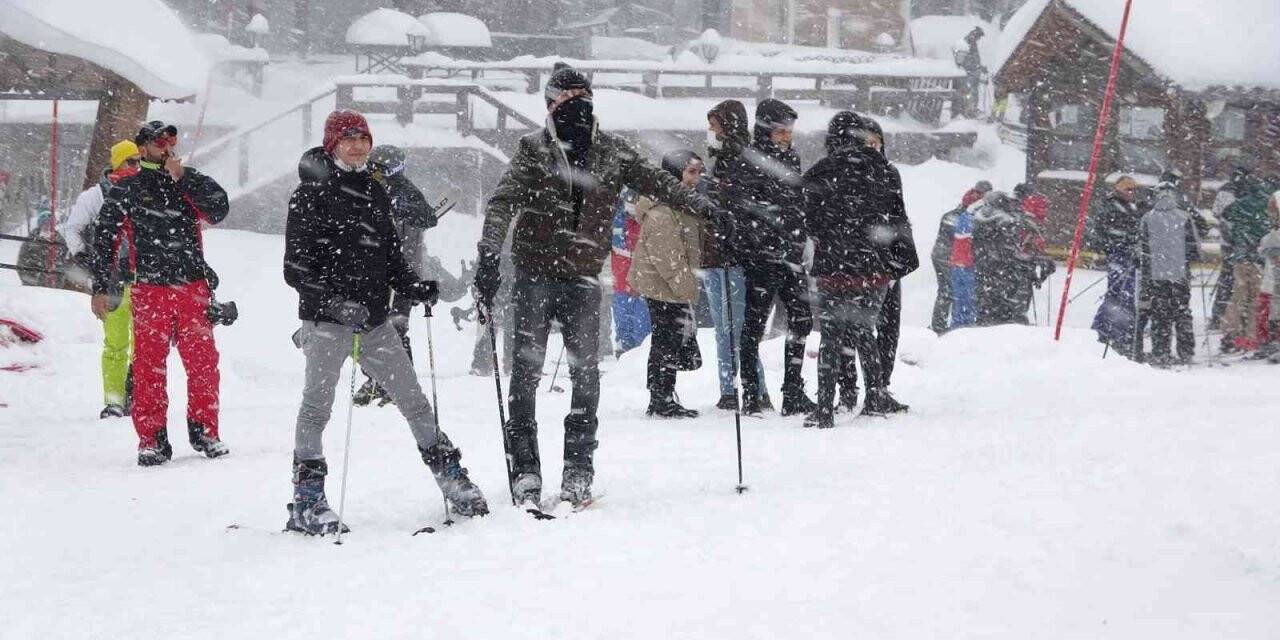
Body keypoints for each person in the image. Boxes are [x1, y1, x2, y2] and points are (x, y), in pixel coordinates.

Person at [472, 63, 724, 508]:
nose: (578, 105)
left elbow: (659, 183)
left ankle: (578, 467)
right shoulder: (533, 150)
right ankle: (525, 468)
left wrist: (703, 206)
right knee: (525, 376)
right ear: (551, 105)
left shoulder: (612, 150)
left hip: (584, 277)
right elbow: (502, 202)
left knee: (585, 375)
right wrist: (490, 253)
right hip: (534, 273)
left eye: (583, 97)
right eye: (567, 98)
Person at [283, 110, 487, 534]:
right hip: (326, 322)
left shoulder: (375, 190)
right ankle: (307, 501)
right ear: (332, 144)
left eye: (363, 138)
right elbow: (295, 268)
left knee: (414, 401)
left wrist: (414, 285)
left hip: (375, 323)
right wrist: (335, 304)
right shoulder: (310, 194)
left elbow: (390, 257)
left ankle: (453, 479)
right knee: (317, 408)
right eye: (348, 138)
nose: (357, 145)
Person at [91, 121, 229, 466]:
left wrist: (184, 177)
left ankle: (206, 431)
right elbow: (105, 238)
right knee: (148, 367)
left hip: (193, 288)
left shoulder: (186, 180)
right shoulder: (128, 187)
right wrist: (100, 287)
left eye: (170, 140)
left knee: (203, 364)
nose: (165, 147)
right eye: (157, 142)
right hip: (150, 289)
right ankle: (151, 439)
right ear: (142, 148)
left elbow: (218, 209)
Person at [802, 111, 916, 428]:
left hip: (833, 266)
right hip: (873, 266)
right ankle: (875, 397)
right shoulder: (886, 170)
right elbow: (898, 218)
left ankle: (825, 410)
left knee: (830, 337)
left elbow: (808, 218)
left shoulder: (822, 170)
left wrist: (829, 235)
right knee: (865, 331)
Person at [735, 98, 815, 416]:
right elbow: (744, 210)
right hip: (762, 257)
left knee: (801, 320)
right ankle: (751, 393)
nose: (786, 137)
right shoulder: (749, 161)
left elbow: (796, 203)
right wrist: (763, 244)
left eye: (789, 131)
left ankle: (792, 391)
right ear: (766, 130)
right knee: (754, 325)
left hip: (791, 253)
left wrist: (799, 237)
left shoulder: (791, 158)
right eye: (781, 131)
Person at [352, 144, 438, 407]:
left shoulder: (405, 190)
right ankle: (376, 378)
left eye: (378, 169)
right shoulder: (367, 187)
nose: (374, 172)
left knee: (396, 327)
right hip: (373, 271)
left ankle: (401, 384)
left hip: (403, 274)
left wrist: (398, 207)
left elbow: (428, 217)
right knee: (369, 328)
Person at [64, 140, 140, 418]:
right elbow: (72, 228)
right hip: (112, 279)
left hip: (143, 278)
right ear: (117, 164)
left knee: (143, 345)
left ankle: (135, 394)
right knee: (116, 343)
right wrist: (84, 256)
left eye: (138, 161)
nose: (136, 166)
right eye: (130, 161)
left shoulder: (145, 192)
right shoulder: (93, 197)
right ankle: (114, 401)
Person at [702, 99, 770, 411]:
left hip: (733, 257)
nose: (711, 132)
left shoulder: (738, 161)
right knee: (727, 329)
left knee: (735, 329)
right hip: (717, 256)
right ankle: (731, 387)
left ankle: (748, 388)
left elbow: (741, 210)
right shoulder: (721, 160)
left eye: (714, 125)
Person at [629, 149, 705, 418]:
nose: (696, 178)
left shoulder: (679, 204)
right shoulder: (663, 212)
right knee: (666, 340)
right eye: (691, 172)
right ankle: (660, 397)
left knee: (668, 339)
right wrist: (686, 290)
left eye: (699, 172)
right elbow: (668, 258)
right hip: (662, 285)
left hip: (668, 283)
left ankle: (663, 394)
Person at [1137, 179, 1200, 365]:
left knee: (1160, 313)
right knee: (1182, 311)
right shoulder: (1184, 217)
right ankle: (1186, 352)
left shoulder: (1148, 218)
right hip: (1180, 273)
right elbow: (1194, 247)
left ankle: (1160, 351)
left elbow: (1142, 247)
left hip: (1156, 273)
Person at [1089, 176, 1144, 357]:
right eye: (1128, 189)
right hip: (1118, 257)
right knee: (1121, 296)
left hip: (1128, 257)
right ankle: (1111, 334)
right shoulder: (1111, 207)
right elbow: (1103, 234)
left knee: (1119, 296)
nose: (1132, 193)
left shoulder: (1130, 207)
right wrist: (1124, 243)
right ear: (1119, 190)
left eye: (1134, 190)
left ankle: (1106, 332)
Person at [1219, 165, 1272, 353]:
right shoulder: (1267, 204)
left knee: (1238, 296)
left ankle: (1230, 334)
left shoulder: (1240, 204)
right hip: (1259, 258)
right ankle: (1251, 336)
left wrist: (1236, 235)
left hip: (1241, 256)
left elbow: (1224, 215)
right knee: (1256, 299)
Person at [973, 191, 1045, 325]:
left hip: (985, 275)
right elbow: (1010, 254)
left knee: (986, 313)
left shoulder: (981, 217)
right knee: (1008, 315)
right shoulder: (1003, 222)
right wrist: (1032, 262)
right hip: (1001, 277)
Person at [931, 186, 987, 333]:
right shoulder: (964, 219)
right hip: (949, 257)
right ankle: (943, 326)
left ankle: (938, 324)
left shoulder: (949, 215)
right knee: (951, 291)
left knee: (945, 290)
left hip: (939, 254)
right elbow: (963, 242)